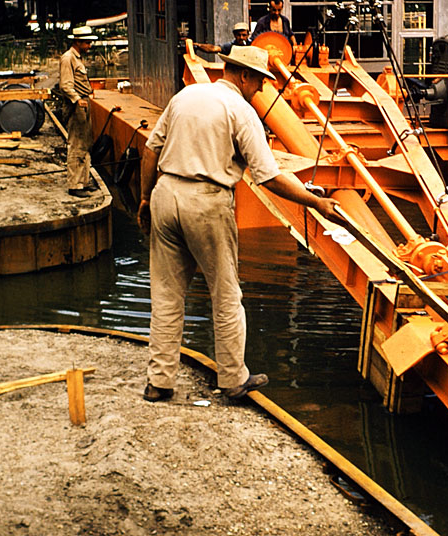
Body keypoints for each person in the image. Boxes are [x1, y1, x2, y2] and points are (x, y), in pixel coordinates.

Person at [138, 45, 340, 402]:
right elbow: (269, 177)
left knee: (166, 296)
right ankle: (232, 379)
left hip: (165, 193)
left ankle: (159, 382)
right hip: (207, 201)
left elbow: (151, 149)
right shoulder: (241, 111)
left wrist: (144, 198)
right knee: (226, 294)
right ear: (244, 75)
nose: (260, 89)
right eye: (259, 82)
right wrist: (316, 202)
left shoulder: (186, 96)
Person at [59, 26, 99, 198]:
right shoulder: (68, 58)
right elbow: (65, 85)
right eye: (87, 42)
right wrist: (77, 99)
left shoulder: (77, 58)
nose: (89, 46)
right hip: (76, 106)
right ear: (78, 42)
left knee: (85, 143)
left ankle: (84, 181)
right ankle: (75, 185)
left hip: (83, 103)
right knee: (76, 144)